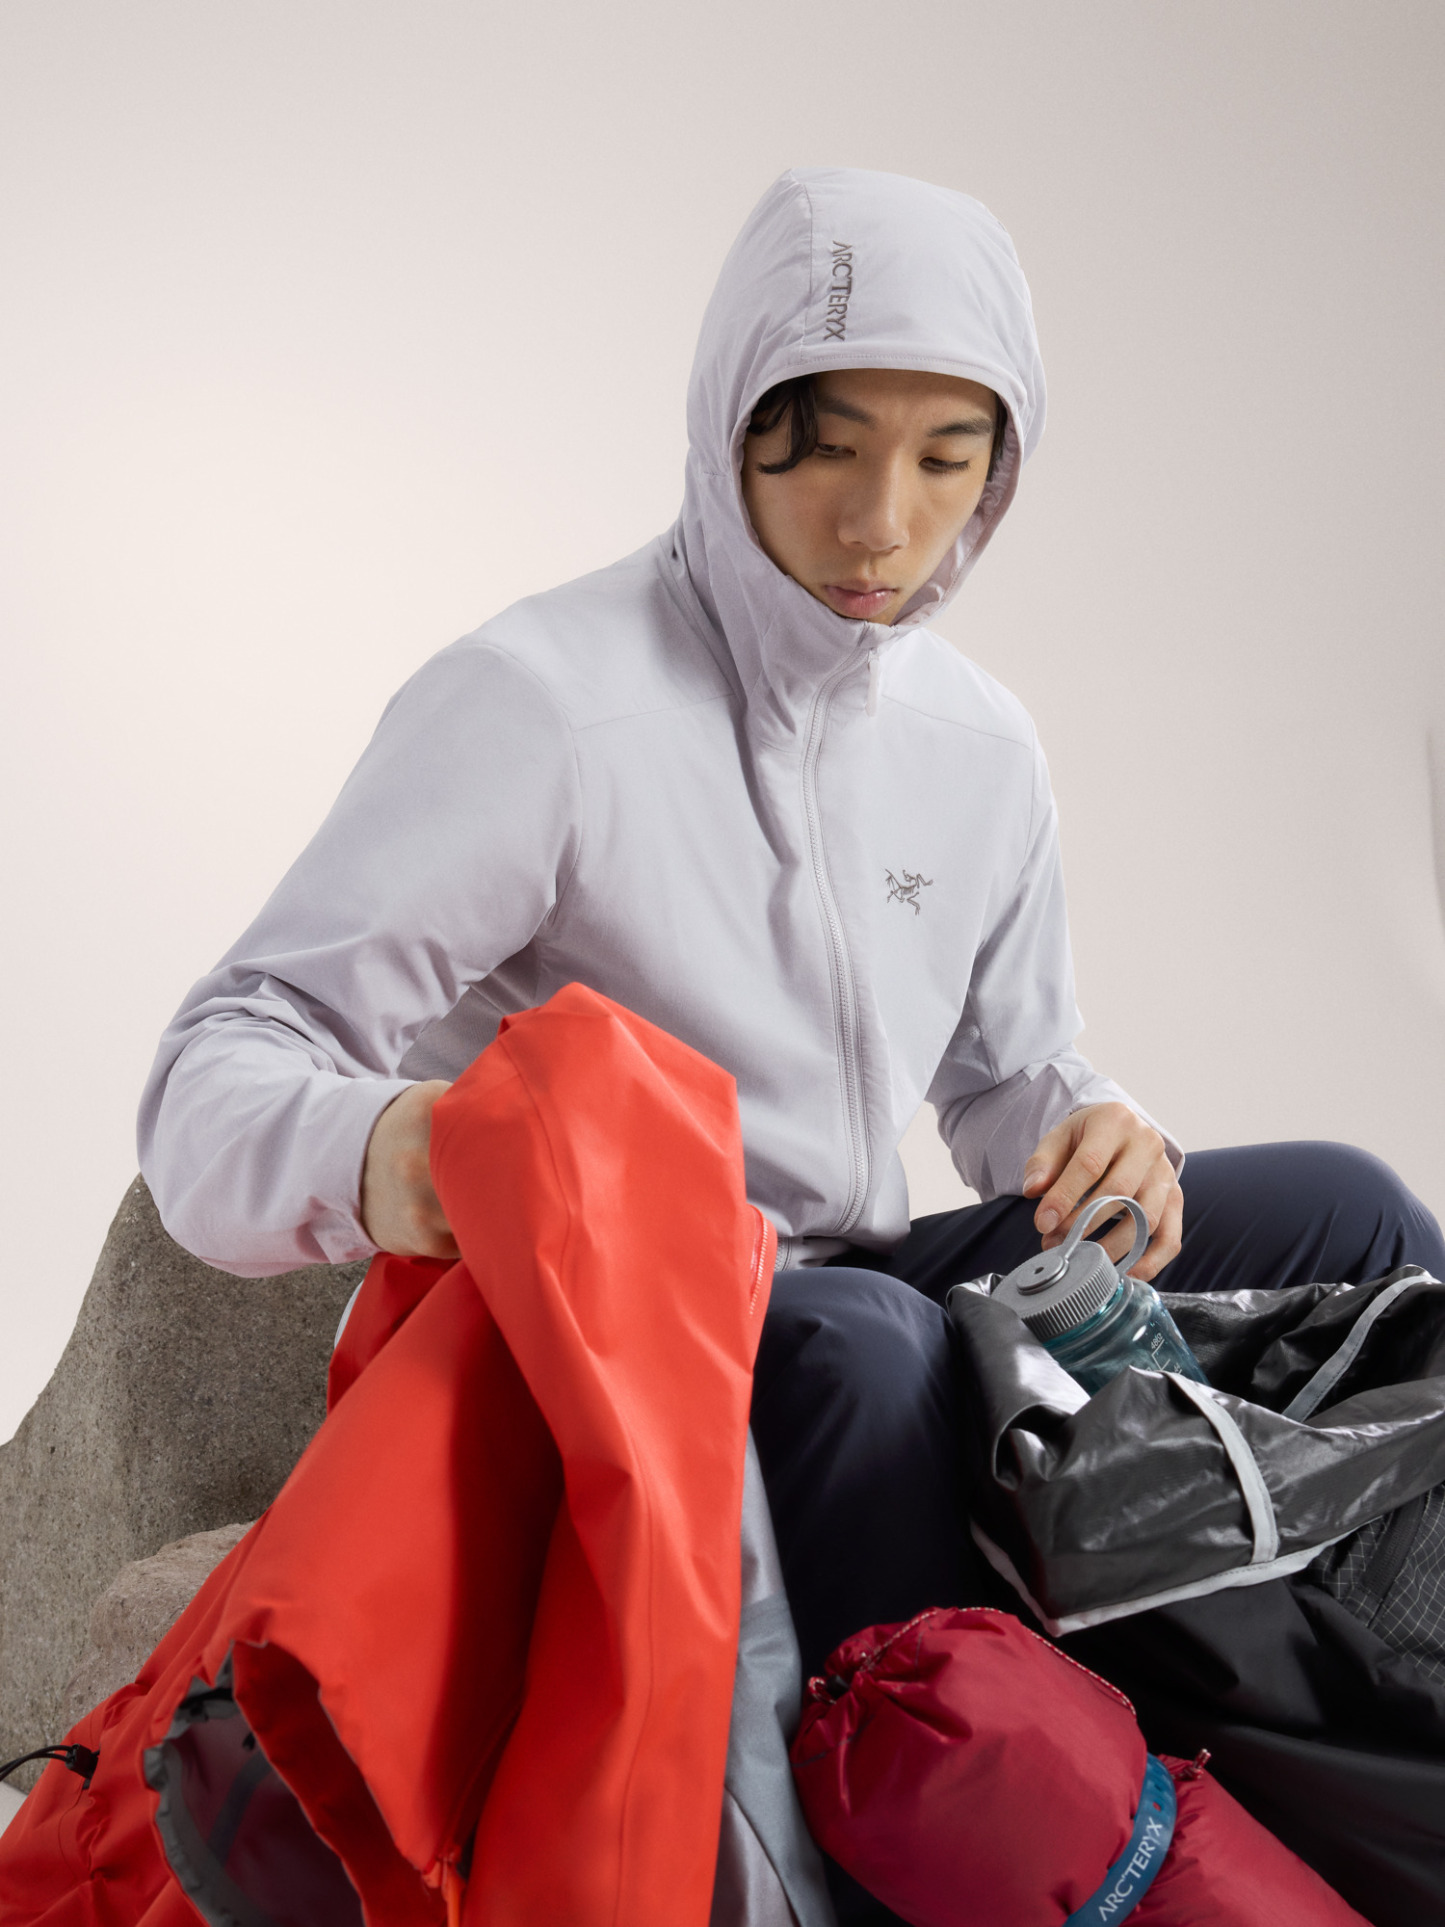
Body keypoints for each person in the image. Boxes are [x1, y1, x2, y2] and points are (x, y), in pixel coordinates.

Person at [139, 165, 1444, 1919]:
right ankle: (921, 1830)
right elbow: (215, 1072)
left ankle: (1386, 1705)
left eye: (945, 458)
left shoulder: (975, 744)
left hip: (830, 1271)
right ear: (725, 429)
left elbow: (1005, 1079)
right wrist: (420, 1151)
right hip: (606, 1332)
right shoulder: (543, 704)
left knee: (1352, 1212)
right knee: (869, 1350)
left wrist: (1090, 1124)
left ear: (999, 469)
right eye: (823, 448)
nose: (880, 522)